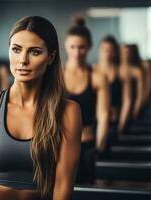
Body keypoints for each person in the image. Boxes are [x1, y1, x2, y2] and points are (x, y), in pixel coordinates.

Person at [0, 16, 82, 200]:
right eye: (16, 50)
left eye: (34, 52)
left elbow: (63, 188)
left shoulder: (68, 112)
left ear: (51, 57)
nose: (22, 60)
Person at [63, 16, 110, 184]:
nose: (76, 52)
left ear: (89, 46)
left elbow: (104, 115)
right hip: (60, 145)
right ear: (65, 46)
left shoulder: (97, 76)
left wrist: (100, 146)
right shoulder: (56, 76)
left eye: (81, 47)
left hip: (88, 145)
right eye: (72, 47)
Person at [94, 35, 132, 135]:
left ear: (115, 52)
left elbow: (127, 101)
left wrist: (121, 125)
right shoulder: (92, 71)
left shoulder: (121, 72)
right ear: (99, 50)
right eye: (104, 49)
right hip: (94, 122)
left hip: (114, 121)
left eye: (110, 50)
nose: (107, 53)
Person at [120, 44, 145, 119]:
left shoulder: (137, 71)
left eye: (127, 52)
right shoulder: (116, 69)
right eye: (123, 52)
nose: (125, 55)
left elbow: (140, 93)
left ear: (131, 54)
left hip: (131, 105)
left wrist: (136, 109)